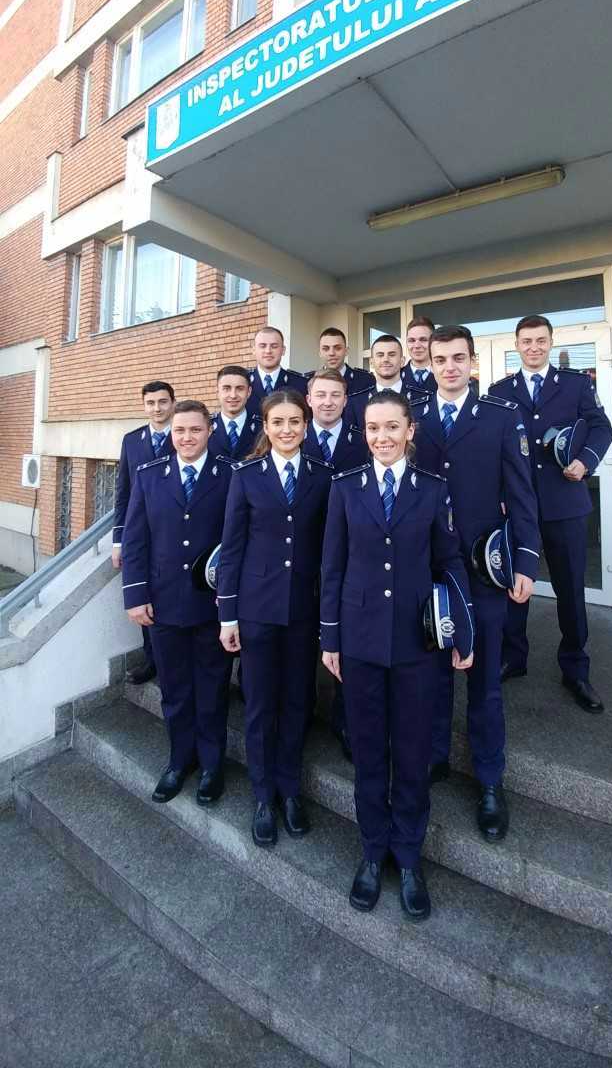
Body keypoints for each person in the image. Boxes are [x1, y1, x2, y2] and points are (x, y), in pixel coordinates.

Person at [320, 390, 473, 921]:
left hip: (416, 644)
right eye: (372, 428)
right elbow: (332, 569)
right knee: (367, 754)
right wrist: (330, 639)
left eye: (391, 427)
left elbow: (450, 562)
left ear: (410, 431)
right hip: (360, 643)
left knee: (411, 754)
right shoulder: (345, 488)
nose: (381, 437)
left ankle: (408, 856)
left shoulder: (432, 489)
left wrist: (464, 631)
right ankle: (371, 851)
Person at [414, 326, 541, 842]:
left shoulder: (500, 417)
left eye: (457, 358)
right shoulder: (413, 417)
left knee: (485, 681)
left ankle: (490, 780)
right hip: (429, 571)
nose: (449, 367)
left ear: (472, 363)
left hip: (484, 571)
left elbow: (522, 493)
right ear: (430, 363)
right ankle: (435, 757)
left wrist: (526, 561)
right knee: (432, 673)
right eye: (440, 358)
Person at [217, 390, 333, 848]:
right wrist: (228, 616)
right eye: (278, 422)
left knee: (297, 702)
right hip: (256, 610)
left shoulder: (323, 476)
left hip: (303, 610)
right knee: (261, 705)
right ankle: (263, 796)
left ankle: (290, 790)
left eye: (295, 421)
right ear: (265, 427)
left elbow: (330, 550)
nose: (287, 429)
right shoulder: (246, 475)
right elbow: (231, 550)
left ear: (306, 425)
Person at [490, 315, 612, 713]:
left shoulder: (576, 384)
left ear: (550, 342)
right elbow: (492, 448)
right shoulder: (499, 391)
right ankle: (513, 656)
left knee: (570, 588)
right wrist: (498, 494)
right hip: (517, 505)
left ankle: (575, 668)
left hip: (565, 503)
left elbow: (602, 428)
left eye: (540, 340)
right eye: (526, 341)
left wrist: (586, 461)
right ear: (516, 345)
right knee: (514, 585)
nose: (533, 347)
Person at [121, 400, 234, 806]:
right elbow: (135, 540)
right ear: (171, 433)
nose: (187, 437)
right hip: (164, 604)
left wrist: (231, 604)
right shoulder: (150, 475)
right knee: (174, 690)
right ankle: (179, 761)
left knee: (212, 689)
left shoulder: (230, 475)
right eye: (180, 430)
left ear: (210, 432)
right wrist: (136, 595)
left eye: (195, 430)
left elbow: (236, 542)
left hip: (212, 606)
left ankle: (212, 765)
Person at [304, 367, 368, 760]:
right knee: (302, 636)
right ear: (308, 399)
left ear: (346, 401)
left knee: (346, 636)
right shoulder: (292, 436)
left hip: (351, 555)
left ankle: (346, 720)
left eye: (335, 395)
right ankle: (303, 711)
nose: (328, 402)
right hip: (301, 554)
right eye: (321, 395)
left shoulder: (363, 441)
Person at [112, 379, 176, 685]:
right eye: (151, 403)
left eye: (162, 402)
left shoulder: (185, 435)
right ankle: (152, 660)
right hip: (141, 534)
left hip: (174, 530)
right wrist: (118, 540)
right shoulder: (131, 440)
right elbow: (123, 492)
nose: (157, 408)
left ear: (173, 403)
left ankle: (174, 661)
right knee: (143, 594)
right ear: (144, 406)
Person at [347, 334, 428, 428]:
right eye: (380, 355)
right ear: (371, 362)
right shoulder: (356, 402)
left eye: (392, 355)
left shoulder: (423, 399)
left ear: (402, 361)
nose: (386, 359)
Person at [246, 326, 307, 414]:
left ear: (283, 350)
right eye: (262, 346)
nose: (268, 351)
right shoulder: (243, 382)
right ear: (254, 350)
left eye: (274, 346)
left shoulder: (301, 384)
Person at [208, 365, 261, 461]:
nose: (233, 395)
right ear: (218, 392)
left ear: (249, 392)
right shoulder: (205, 427)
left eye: (240, 389)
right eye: (226, 388)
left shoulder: (262, 428)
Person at [304, 326, 373, 393]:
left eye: (338, 348)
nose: (331, 353)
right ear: (320, 353)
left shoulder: (366, 380)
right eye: (326, 349)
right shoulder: (307, 380)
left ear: (346, 351)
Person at [402, 316, 437, 394]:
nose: (417, 346)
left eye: (423, 340)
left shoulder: (445, 375)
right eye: (411, 340)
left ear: (433, 342)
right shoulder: (396, 376)